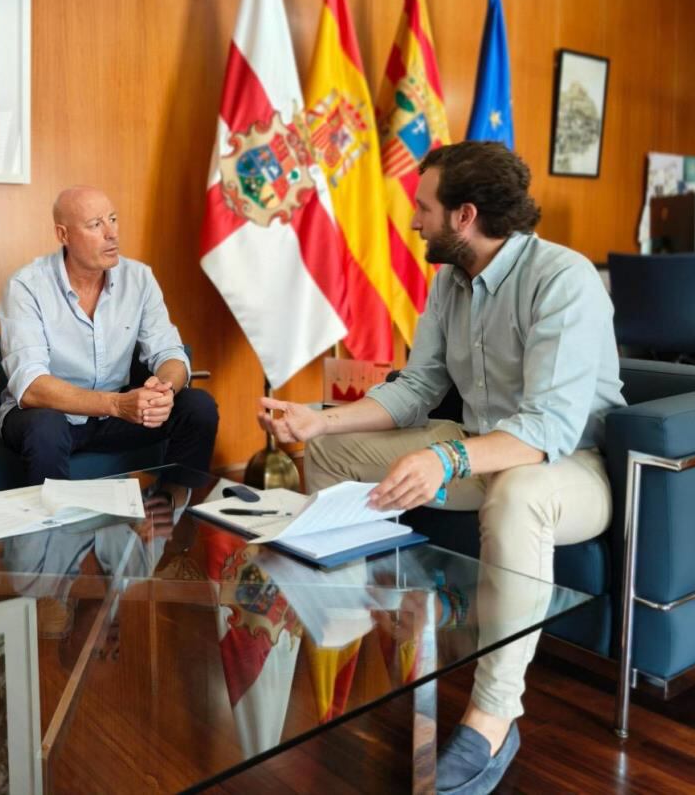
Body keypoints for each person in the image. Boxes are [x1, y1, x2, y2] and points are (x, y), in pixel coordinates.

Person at [258, 141, 624, 795]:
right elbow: (414, 388)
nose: (412, 220)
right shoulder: (449, 282)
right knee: (329, 454)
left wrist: (443, 456)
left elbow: (547, 429)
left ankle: (492, 717)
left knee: (516, 496)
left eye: (422, 206)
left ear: (463, 214)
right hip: (476, 445)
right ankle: (362, 620)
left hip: (570, 467)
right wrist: (320, 419)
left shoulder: (561, 278)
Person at [0, 185, 218, 481]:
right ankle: (54, 527)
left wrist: (163, 391)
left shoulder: (138, 278)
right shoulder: (27, 286)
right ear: (64, 235)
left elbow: (169, 353)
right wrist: (117, 405)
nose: (111, 233)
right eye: (95, 225)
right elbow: (31, 385)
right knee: (46, 428)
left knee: (198, 406)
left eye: (112, 219)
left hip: (115, 415)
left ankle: (173, 510)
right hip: (50, 417)